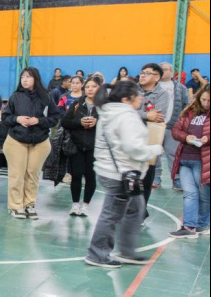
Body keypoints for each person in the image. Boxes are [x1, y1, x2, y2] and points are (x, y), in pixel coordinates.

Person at [85, 80, 164, 268]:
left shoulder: (108, 112)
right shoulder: (126, 115)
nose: (141, 99)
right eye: (139, 96)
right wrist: (154, 149)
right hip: (120, 173)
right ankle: (97, 254)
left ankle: (127, 251)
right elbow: (133, 148)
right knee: (111, 214)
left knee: (135, 209)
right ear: (127, 99)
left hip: (112, 170)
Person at [1, 67, 60, 219]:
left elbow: (54, 118)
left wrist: (39, 121)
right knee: (17, 174)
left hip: (39, 141)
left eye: (28, 77)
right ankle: (15, 206)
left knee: (32, 174)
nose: (25, 80)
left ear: (36, 79)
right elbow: (6, 118)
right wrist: (17, 119)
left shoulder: (46, 97)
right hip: (17, 140)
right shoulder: (15, 97)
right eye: (22, 77)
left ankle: (29, 204)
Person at [168, 86, 210, 238]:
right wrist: (186, 137)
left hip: (204, 161)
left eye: (209, 101)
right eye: (203, 99)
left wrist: (207, 138)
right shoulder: (189, 111)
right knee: (190, 194)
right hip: (185, 158)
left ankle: (202, 225)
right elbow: (176, 130)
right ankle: (189, 227)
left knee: (204, 196)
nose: (205, 103)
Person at [61, 76, 101, 216]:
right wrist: (79, 123)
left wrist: (98, 122)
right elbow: (65, 122)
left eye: (94, 86)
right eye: (88, 87)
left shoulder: (104, 107)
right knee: (76, 175)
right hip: (76, 146)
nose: (90, 89)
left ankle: (85, 205)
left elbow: (110, 125)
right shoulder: (77, 104)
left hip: (94, 147)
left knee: (91, 176)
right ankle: (75, 204)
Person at [137, 63, 170, 209]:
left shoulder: (163, 94)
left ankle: (141, 211)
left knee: (146, 178)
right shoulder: (133, 90)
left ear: (156, 77)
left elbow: (157, 116)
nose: (142, 75)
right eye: (142, 72)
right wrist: (145, 115)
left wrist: (139, 115)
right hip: (131, 138)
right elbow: (125, 111)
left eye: (147, 73)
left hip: (150, 140)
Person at [159, 62, 190, 190]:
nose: (162, 72)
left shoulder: (180, 88)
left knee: (173, 154)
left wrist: (182, 123)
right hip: (155, 126)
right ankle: (155, 178)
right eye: (160, 70)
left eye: (165, 70)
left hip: (172, 126)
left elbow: (187, 105)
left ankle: (176, 180)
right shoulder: (153, 86)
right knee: (153, 155)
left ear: (171, 71)